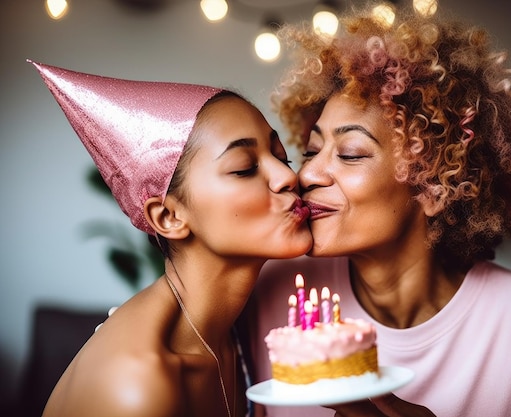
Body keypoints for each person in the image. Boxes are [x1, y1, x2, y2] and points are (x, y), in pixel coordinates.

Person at [246, 4, 511, 417]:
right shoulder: (277, 295)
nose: (308, 172)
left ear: (434, 188)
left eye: (349, 154)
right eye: (310, 151)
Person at [30, 61, 312, 417]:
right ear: (169, 217)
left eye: (281, 155)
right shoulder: (138, 386)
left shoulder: (237, 328)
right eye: (244, 167)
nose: (287, 177)